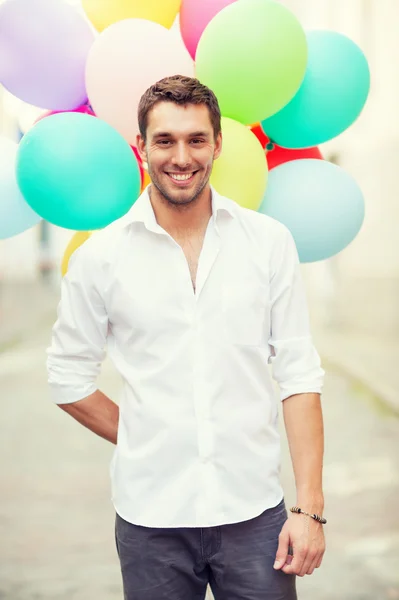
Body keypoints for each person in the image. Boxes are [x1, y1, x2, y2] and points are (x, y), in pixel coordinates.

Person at [47, 75, 326, 600]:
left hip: (255, 515)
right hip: (150, 519)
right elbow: (67, 378)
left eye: (197, 139)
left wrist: (309, 508)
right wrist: (149, 436)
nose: (182, 157)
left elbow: (299, 375)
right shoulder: (100, 258)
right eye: (165, 140)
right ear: (141, 147)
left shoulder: (268, 243)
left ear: (218, 144)